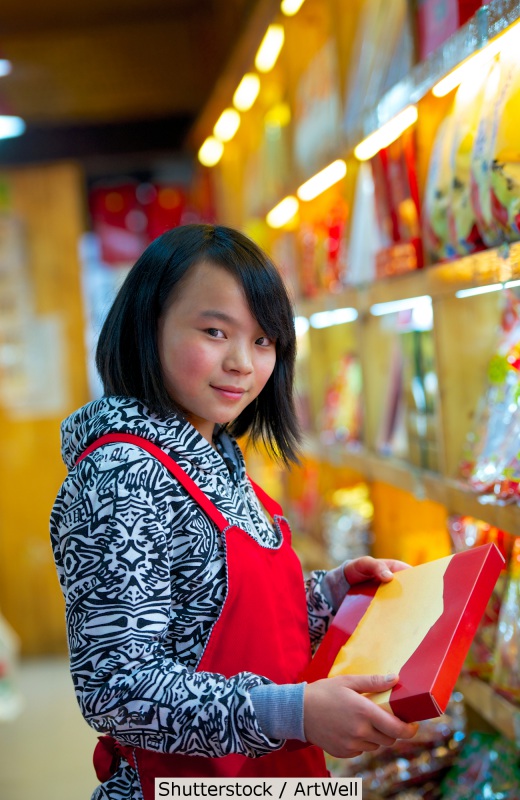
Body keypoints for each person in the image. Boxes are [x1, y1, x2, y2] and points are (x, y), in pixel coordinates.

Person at [50, 224, 417, 800]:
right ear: (148, 325)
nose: (243, 363)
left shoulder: (216, 456)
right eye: (215, 331)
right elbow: (116, 688)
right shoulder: (122, 475)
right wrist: (292, 713)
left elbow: (211, 620)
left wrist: (327, 597)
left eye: (265, 340)